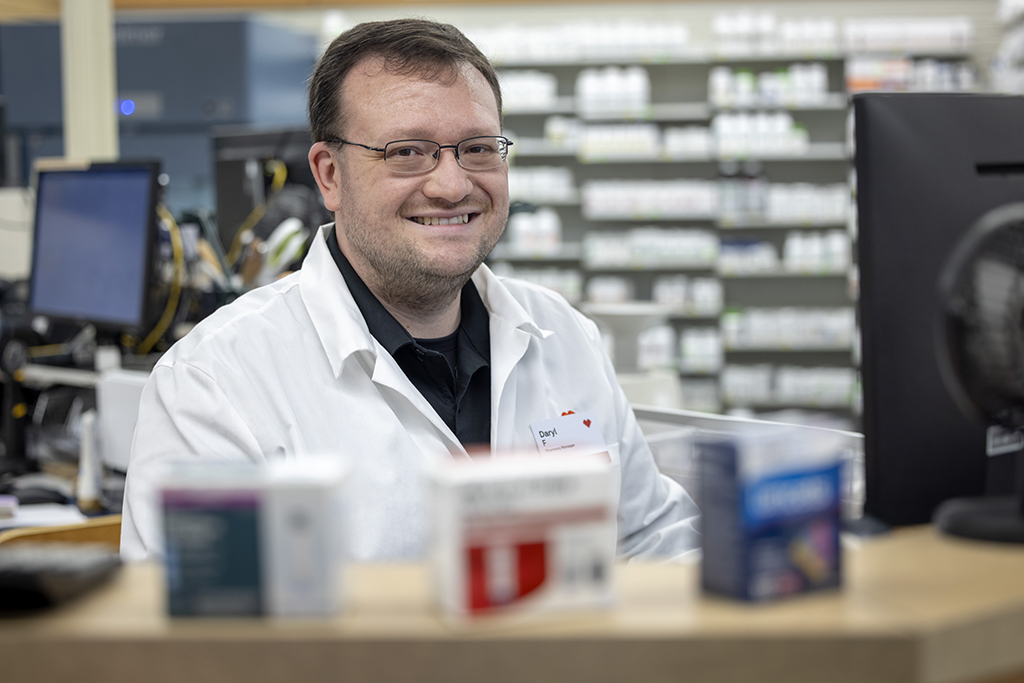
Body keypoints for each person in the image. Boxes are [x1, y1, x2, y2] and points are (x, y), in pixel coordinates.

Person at [120, 18, 700, 562]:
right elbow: (193, 623)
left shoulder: (565, 335)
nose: (451, 185)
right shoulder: (215, 383)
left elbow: (651, 540)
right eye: (406, 152)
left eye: (478, 147)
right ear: (329, 175)